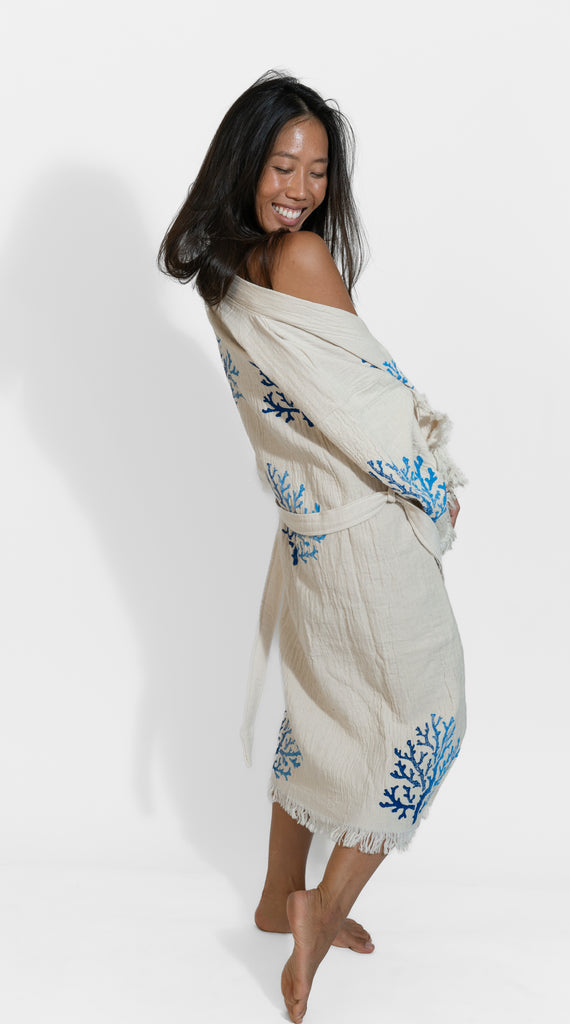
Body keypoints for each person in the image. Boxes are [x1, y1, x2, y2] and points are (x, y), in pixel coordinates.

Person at [158, 70, 467, 1024]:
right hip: (364, 539)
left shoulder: (225, 269)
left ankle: (270, 892)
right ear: (245, 165)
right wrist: (439, 489)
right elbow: (371, 413)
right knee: (431, 722)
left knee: (323, 714)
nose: (298, 188)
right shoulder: (298, 262)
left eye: (317, 171)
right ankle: (318, 911)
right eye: (282, 164)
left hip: (307, 546)